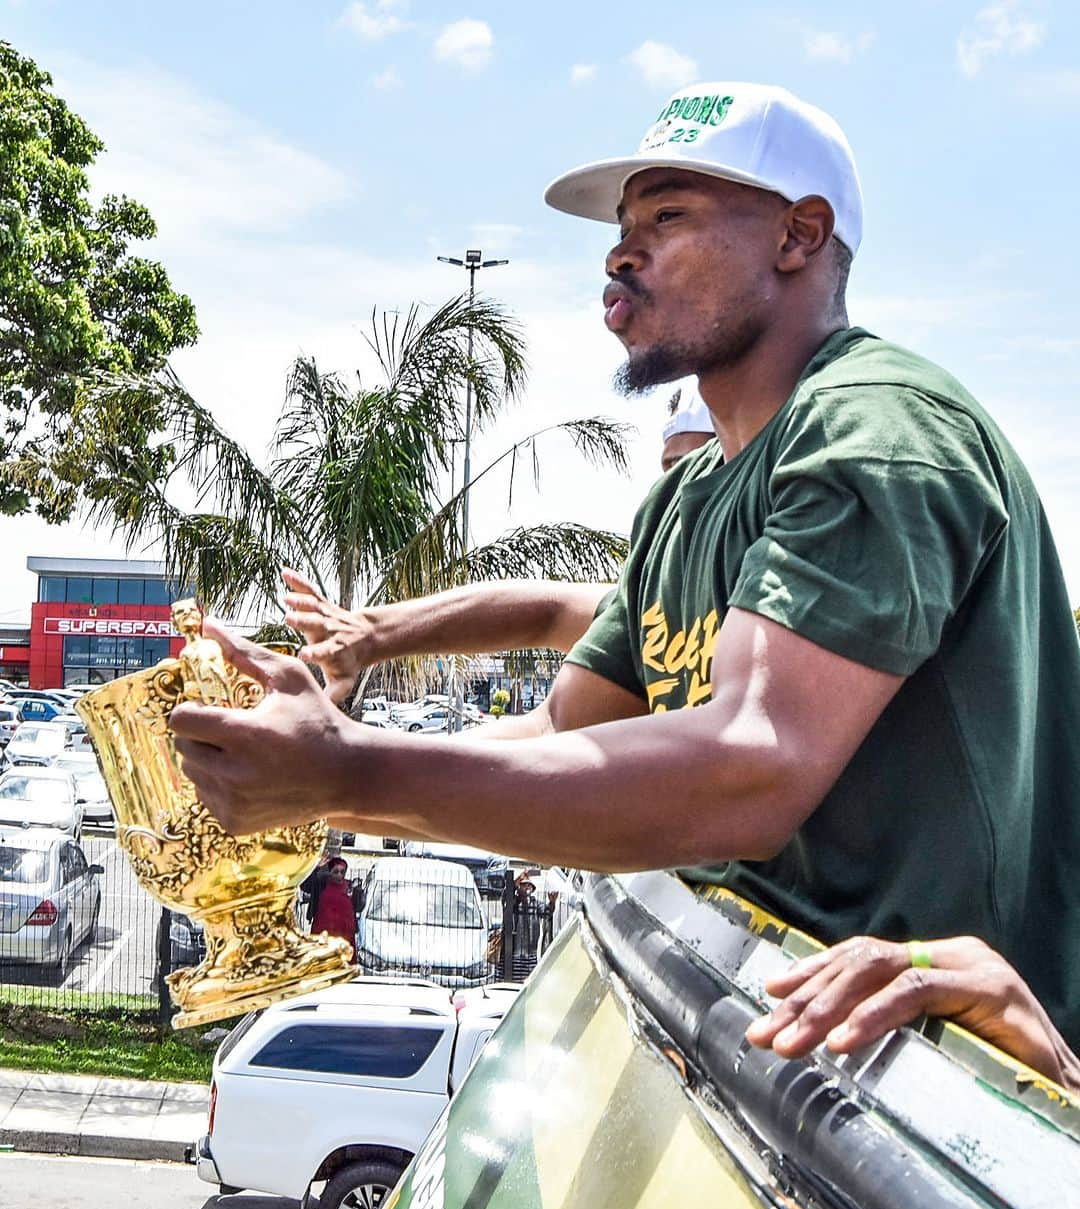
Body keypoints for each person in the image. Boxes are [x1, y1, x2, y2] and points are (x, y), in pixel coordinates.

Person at [171, 82, 1080, 1090]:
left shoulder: (880, 433)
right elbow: (566, 729)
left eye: (669, 217)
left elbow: (751, 767)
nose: (619, 254)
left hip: (964, 1104)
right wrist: (303, 772)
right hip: (790, 1063)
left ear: (799, 235)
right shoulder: (685, 501)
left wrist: (353, 773)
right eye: (621, 228)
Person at [278, 384, 714, 706]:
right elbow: (548, 614)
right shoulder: (657, 591)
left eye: (701, 466)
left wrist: (340, 777)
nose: (676, 491)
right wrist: (367, 634)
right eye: (670, 469)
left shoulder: (761, 568)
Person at [311, 856, 357, 962]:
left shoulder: (349, 886)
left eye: (342, 872)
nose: (339, 875)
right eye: (336, 872)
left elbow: (357, 907)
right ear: (330, 872)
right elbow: (307, 885)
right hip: (324, 933)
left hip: (345, 934)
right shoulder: (321, 885)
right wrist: (316, 867)